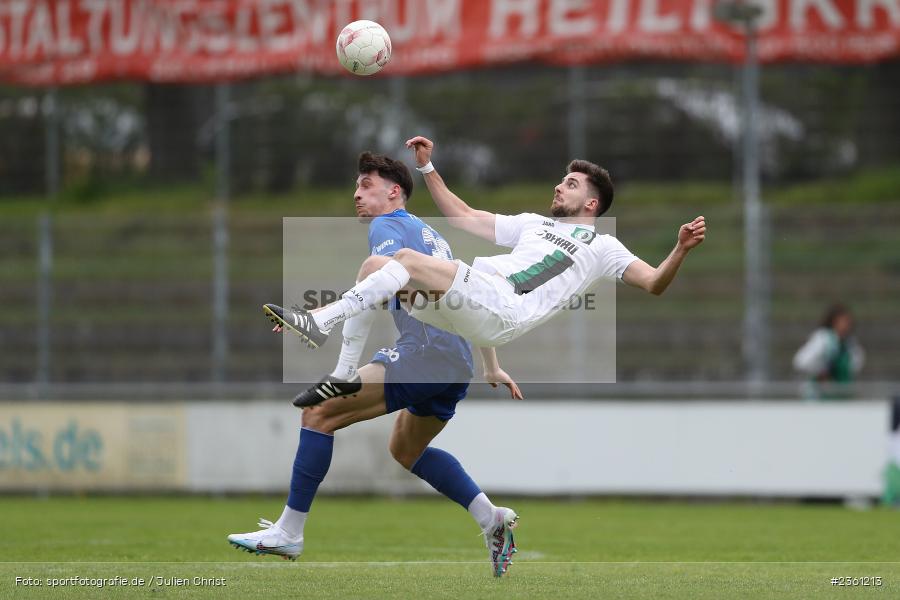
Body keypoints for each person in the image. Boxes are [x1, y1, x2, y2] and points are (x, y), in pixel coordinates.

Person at [228, 152, 524, 578]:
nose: (357, 193)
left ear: (394, 192)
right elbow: (466, 298)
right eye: (357, 185)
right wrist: (490, 363)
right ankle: (490, 517)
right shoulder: (432, 235)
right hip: (455, 361)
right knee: (406, 450)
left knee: (319, 413)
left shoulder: (390, 225)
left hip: (426, 353)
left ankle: (289, 531)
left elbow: (384, 277)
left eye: (366, 184)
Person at [264, 136, 706, 353]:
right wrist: (428, 167)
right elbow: (463, 216)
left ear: (591, 201)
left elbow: (653, 283)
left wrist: (680, 250)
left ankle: (320, 321)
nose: (558, 186)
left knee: (402, 259)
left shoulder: (605, 247)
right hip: (473, 304)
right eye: (561, 180)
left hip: (503, 307)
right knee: (375, 265)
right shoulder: (532, 223)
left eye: (570, 184)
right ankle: (341, 373)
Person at [793, 303, 864, 399]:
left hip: (841, 394)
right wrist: (820, 370)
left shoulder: (850, 343)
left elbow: (856, 365)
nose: (845, 325)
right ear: (833, 322)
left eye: (847, 322)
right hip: (820, 395)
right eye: (842, 321)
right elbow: (801, 361)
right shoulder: (823, 338)